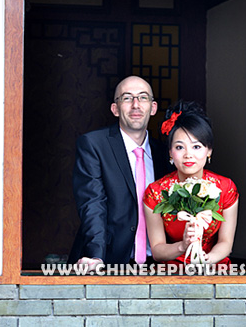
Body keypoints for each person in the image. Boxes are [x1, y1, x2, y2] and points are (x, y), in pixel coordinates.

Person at [68, 76, 171, 271]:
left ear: (153, 107)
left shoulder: (166, 153)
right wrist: (95, 256)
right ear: (115, 109)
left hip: (158, 264)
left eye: (143, 98)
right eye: (126, 98)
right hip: (107, 259)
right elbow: (93, 204)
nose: (135, 105)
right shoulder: (94, 145)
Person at [143, 101, 239, 265]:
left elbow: (226, 242)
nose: (188, 155)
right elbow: (158, 250)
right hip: (173, 271)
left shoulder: (225, 188)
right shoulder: (156, 192)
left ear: (209, 151)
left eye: (196, 147)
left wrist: (206, 260)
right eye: (180, 147)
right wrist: (182, 246)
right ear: (170, 153)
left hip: (214, 266)